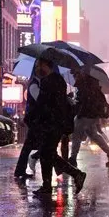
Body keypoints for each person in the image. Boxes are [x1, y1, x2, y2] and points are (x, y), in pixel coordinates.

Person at [29, 57, 86, 196]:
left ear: (45, 65)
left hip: (51, 123)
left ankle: (75, 175)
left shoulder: (49, 81)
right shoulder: (56, 80)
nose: (36, 69)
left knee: (47, 153)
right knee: (47, 154)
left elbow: (43, 104)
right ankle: (48, 185)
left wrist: (32, 117)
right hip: (54, 123)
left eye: (38, 65)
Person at [68, 68, 109, 168]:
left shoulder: (84, 85)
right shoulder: (91, 83)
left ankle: (73, 159)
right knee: (93, 134)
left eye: (75, 75)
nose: (74, 77)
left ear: (81, 74)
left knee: (76, 134)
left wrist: (73, 101)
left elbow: (83, 101)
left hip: (85, 114)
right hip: (93, 114)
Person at [14, 62, 42, 179]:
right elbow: (40, 100)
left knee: (30, 145)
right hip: (34, 119)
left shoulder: (36, 83)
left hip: (35, 118)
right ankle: (24, 166)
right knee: (33, 145)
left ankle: (20, 170)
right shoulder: (34, 85)